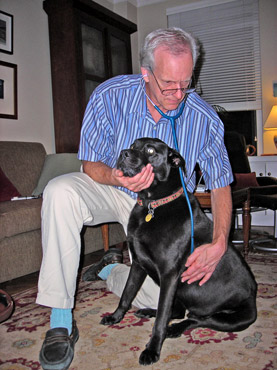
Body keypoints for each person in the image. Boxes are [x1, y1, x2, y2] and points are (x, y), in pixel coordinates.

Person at [37, 27, 233, 370]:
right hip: (113, 188)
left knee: (171, 302)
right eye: (168, 84)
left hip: (167, 208)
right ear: (146, 73)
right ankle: (60, 318)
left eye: (186, 83)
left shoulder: (203, 118)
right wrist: (115, 175)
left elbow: (220, 185)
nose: (178, 94)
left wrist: (218, 243)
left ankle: (111, 269)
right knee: (59, 191)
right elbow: (89, 162)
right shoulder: (109, 95)